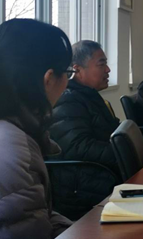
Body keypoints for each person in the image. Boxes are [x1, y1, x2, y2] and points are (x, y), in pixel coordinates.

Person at [0, 19, 73, 239]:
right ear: (48, 78)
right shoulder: (13, 152)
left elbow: (35, 217)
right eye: (68, 73)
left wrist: (77, 232)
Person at [48, 40, 121, 220]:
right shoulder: (68, 100)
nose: (108, 70)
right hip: (81, 187)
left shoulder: (90, 96)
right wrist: (124, 152)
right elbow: (78, 147)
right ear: (77, 69)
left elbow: (114, 132)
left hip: (98, 173)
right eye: (101, 64)